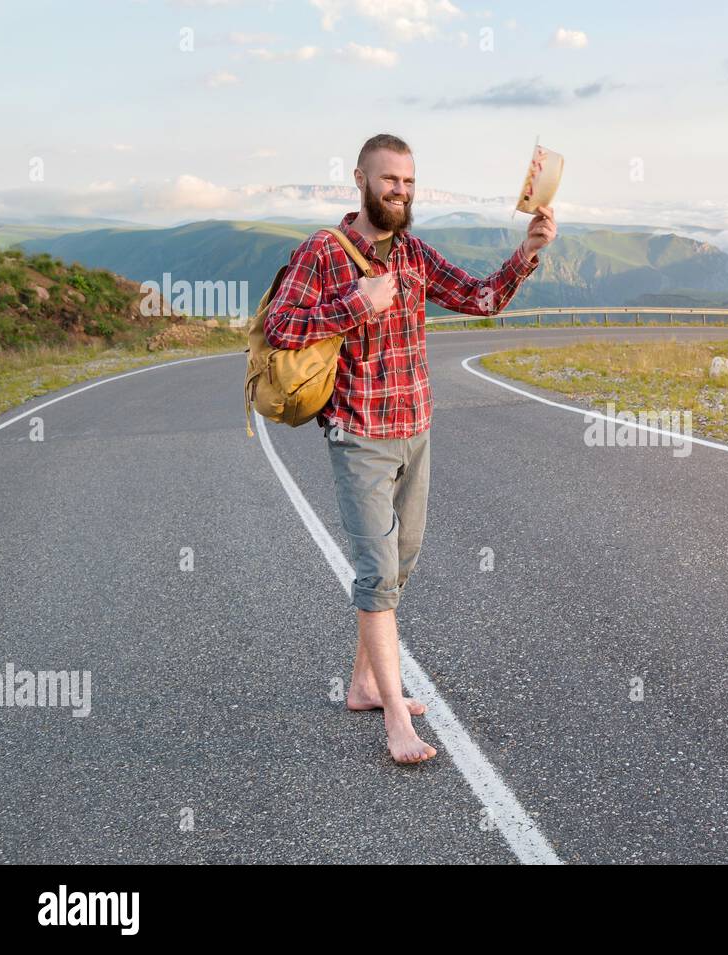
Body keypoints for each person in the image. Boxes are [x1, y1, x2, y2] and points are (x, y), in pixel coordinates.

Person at [264, 133, 557, 763]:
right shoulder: (323, 252)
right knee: (376, 570)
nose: (400, 191)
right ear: (361, 180)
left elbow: (481, 300)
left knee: (400, 562)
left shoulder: (415, 253)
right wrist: (354, 304)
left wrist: (526, 254)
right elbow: (279, 327)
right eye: (389, 179)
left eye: (408, 181)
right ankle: (396, 717)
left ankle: (365, 683)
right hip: (357, 432)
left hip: (415, 427)